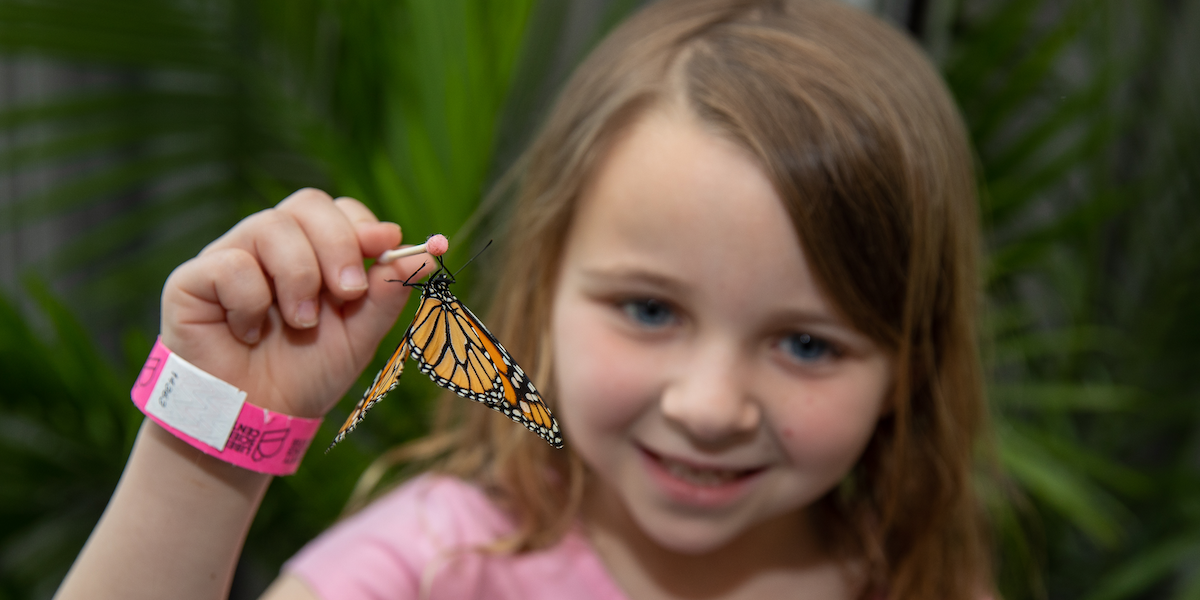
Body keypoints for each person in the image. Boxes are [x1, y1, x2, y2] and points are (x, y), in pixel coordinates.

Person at [55, 0, 993, 598]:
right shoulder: (431, 568)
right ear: (542, 290)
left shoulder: (913, 578)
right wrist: (211, 436)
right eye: (650, 311)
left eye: (808, 346)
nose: (709, 408)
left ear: (909, 367)